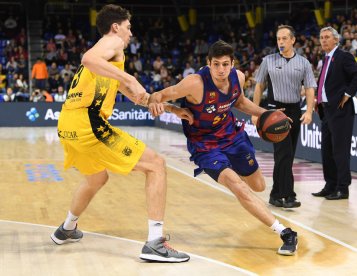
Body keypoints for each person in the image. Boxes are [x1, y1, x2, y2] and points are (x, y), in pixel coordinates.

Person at [50, 4, 191, 263]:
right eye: (128, 27)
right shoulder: (111, 42)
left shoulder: (110, 62)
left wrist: (170, 108)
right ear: (116, 27)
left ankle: (66, 228)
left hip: (68, 125)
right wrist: (131, 79)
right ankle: (155, 243)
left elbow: (136, 96)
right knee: (156, 164)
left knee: (96, 178)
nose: (130, 33)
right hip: (87, 122)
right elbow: (87, 59)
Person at [148, 40, 299, 256]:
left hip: (232, 135)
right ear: (208, 63)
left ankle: (235, 175)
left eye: (225, 64)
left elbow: (239, 102)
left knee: (258, 186)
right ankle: (285, 232)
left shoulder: (238, 77)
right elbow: (159, 95)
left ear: (232, 64)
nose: (221, 70)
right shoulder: (194, 83)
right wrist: (164, 105)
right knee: (237, 185)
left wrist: (264, 114)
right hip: (205, 145)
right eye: (216, 64)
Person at [252, 25, 316, 208]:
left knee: (287, 155)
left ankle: (275, 194)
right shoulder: (268, 60)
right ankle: (288, 195)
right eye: (278, 39)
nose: (280, 42)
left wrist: (309, 111)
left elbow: (310, 88)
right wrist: (256, 112)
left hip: (295, 110)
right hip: (275, 111)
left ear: (293, 40)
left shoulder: (304, 63)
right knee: (284, 153)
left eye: (284, 39)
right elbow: (259, 86)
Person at [312, 27, 357, 200]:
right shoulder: (326, 59)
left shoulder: (343, 56)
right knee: (326, 150)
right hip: (326, 110)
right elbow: (325, 84)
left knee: (340, 151)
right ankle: (330, 185)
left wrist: (348, 94)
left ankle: (343, 188)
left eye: (327, 37)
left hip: (341, 110)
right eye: (321, 38)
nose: (323, 40)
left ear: (336, 40)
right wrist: (317, 100)